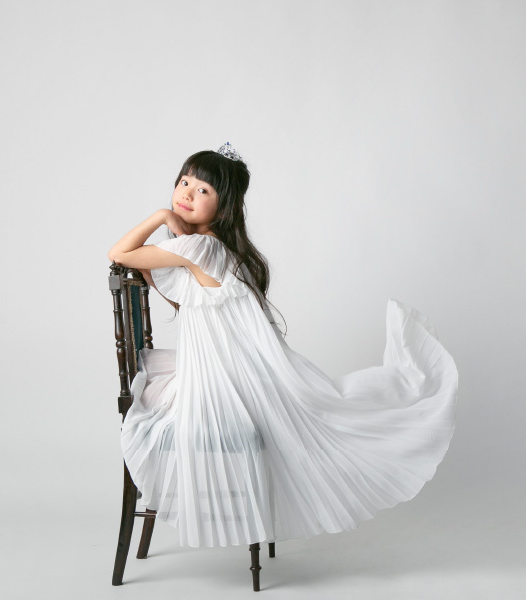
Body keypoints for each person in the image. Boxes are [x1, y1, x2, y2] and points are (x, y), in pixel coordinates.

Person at [107, 143, 459, 548]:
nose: (187, 193)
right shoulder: (211, 247)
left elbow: (118, 254)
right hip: (227, 370)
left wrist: (161, 215)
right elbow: (179, 295)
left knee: (150, 401)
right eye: (184, 182)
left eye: (203, 190)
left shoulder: (200, 247)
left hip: (221, 379)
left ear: (223, 207)